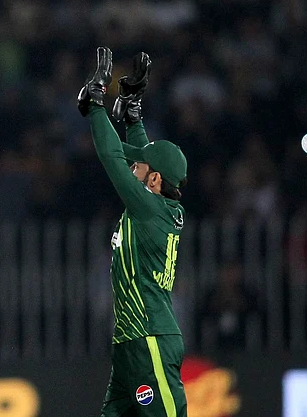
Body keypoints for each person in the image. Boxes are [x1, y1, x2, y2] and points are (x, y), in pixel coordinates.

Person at [77, 48, 189, 417]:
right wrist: (131, 110)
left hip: (150, 339)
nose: (134, 164)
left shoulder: (149, 209)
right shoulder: (155, 203)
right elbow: (135, 153)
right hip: (130, 343)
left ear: (154, 180)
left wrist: (96, 106)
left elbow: (113, 158)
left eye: (141, 166)